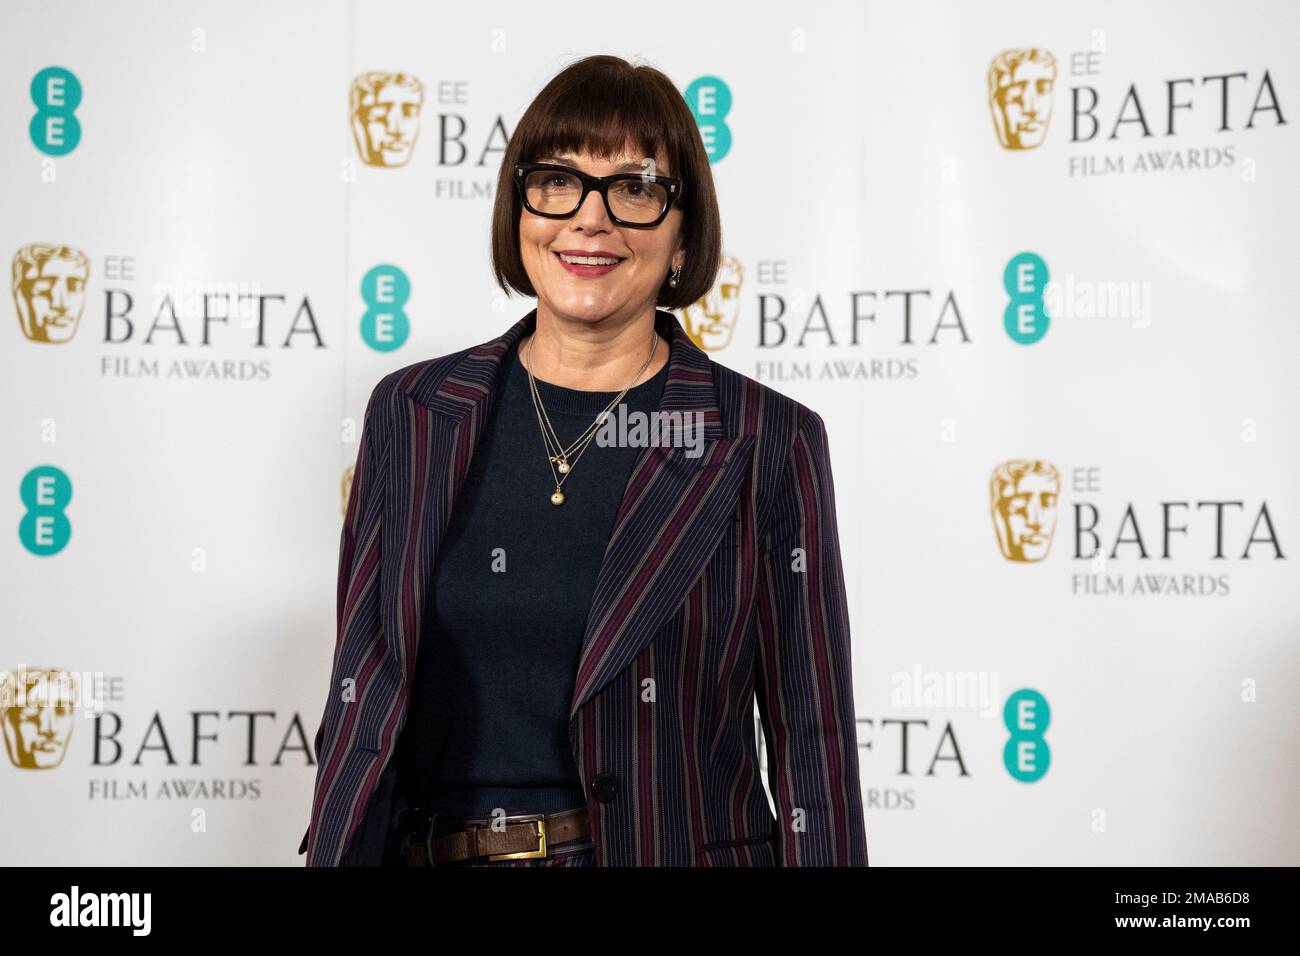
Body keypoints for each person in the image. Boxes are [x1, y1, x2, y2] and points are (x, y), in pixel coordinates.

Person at [302, 54, 867, 867]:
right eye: (558, 180)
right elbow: (360, 699)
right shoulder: (413, 413)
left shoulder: (764, 440)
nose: (589, 219)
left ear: (683, 234)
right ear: (520, 210)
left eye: (635, 189)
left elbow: (813, 738)